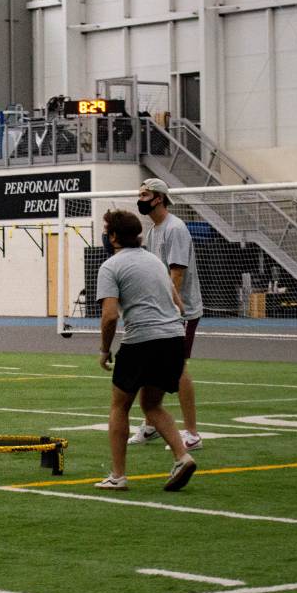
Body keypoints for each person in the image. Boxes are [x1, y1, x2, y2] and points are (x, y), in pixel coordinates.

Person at [94, 209, 197, 492]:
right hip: (173, 339)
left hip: (141, 340)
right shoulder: (154, 261)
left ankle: (118, 475)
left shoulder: (110, 267)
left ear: (113, 236)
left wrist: (104, 350)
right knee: (151, 405)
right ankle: (182, 457)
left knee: (120, 406)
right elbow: (179, 306)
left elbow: (110, 316)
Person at [128, 177, 204, 451]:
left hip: (180, 311)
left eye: (144, 195)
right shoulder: (154, 231)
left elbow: (177, 273)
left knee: (178, 368)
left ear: (158, 198)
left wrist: (171, 308)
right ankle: (151, 425)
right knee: (150, 364)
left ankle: (192, 434)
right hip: (161, 310)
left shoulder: (175, 229)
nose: (140, 199)